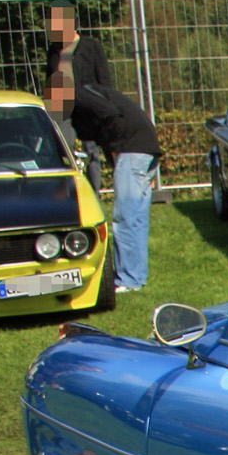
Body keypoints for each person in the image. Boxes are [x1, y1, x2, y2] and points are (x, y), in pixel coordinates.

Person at [47, 65, 158, 293]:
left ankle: (128, 279)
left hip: (132, 151)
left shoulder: (82, 96)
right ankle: (136, 277)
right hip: (143, 150)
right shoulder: (82, 108)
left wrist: (119, 154)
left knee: (125, 218)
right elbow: (102, 135)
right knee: (136, 218)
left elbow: (112, 118)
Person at [45, 3, 111, 189]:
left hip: (87, 105)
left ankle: (94, 192)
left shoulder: (91, 47)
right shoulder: (54, 50)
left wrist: (104, 103)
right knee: (64, 150)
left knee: (91, 151)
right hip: (62, 106)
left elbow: (104, 78)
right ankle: (69, 192)